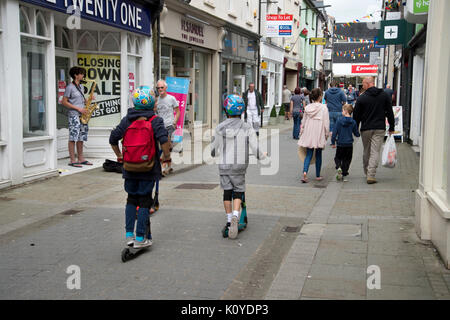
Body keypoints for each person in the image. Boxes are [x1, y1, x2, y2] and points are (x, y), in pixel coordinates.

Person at [109, 86, 171, 248]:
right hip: (148, 167)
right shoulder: (155, 120)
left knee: (131, 199)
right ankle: (141, 237)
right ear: (151, 102)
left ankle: (129, 234)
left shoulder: (127, 120)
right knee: (144, 201)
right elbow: (164, 141)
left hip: (129, 167)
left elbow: (113, 139)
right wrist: (167, 157)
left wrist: (120, 156)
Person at [211, 94, 268, 239]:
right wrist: (263, 155)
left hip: (224, 166)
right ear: (242, 111)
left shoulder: (219, 128)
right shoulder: (247, 127)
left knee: (227, 193)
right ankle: (237, 215)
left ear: (225, 110)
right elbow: (255, 149)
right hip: (239, 166)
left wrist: (214, 152)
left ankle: (229, 221)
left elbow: (213, 150)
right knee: (238, 191)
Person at [353, 77, 395, 184]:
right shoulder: (384, 95)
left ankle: (367, 172)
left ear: (368, 84)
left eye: (363, 84)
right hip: (379, 128)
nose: (362, 86)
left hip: (366, 129)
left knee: (367, 151)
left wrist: (355, 129)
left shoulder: (361, 98)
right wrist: (392, 127)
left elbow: (356, 116)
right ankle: (371, 174)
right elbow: (390, 112)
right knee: (375, 151)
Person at [61, 66, 93, 168]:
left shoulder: (81, 87)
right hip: (74, 115)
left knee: (81, 137)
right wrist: (78, 109)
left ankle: (81, 158)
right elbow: (64, 102)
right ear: (76, 75)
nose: (83, 76)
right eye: (81, 74)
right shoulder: (70, 87)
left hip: (82, 115)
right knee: (73, 137)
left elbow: (82, 101)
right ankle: (72, 160)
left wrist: (89, 99)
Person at [298, 88, 330, 183]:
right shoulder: (324, 108)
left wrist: (302, 131)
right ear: (320, 97)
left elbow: (303, 121)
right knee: (319, 154)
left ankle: (304, 173)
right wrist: (326, 134)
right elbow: (326, 123)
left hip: (309, 131)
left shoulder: (308, 108)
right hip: (319, 132)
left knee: (309, 154)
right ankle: (318, 175)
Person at [154, 79, 180, 175]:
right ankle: (167, 166)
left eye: (162, 87)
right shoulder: (156, 100)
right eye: (158, 87)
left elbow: (177, 112)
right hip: (160, 126)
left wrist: (174, 122)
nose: (160, 89)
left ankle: (163, 167)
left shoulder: (171, 98)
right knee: (165, 147)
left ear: (166, 88)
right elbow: (155, 112)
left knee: (167, 146)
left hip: (169, 125)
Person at [331, 104, 360, 182]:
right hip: (349, 144)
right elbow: (356, 133)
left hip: (340, 143)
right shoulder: (353, 122)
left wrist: (333, 142)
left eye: (342, 110)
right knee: (347, 159)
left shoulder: (339, 120)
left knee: (338, 157)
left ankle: (338, 166)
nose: (342, 111)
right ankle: (344, 173)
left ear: (346, 111)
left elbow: (334, 132)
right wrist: (358, 134)